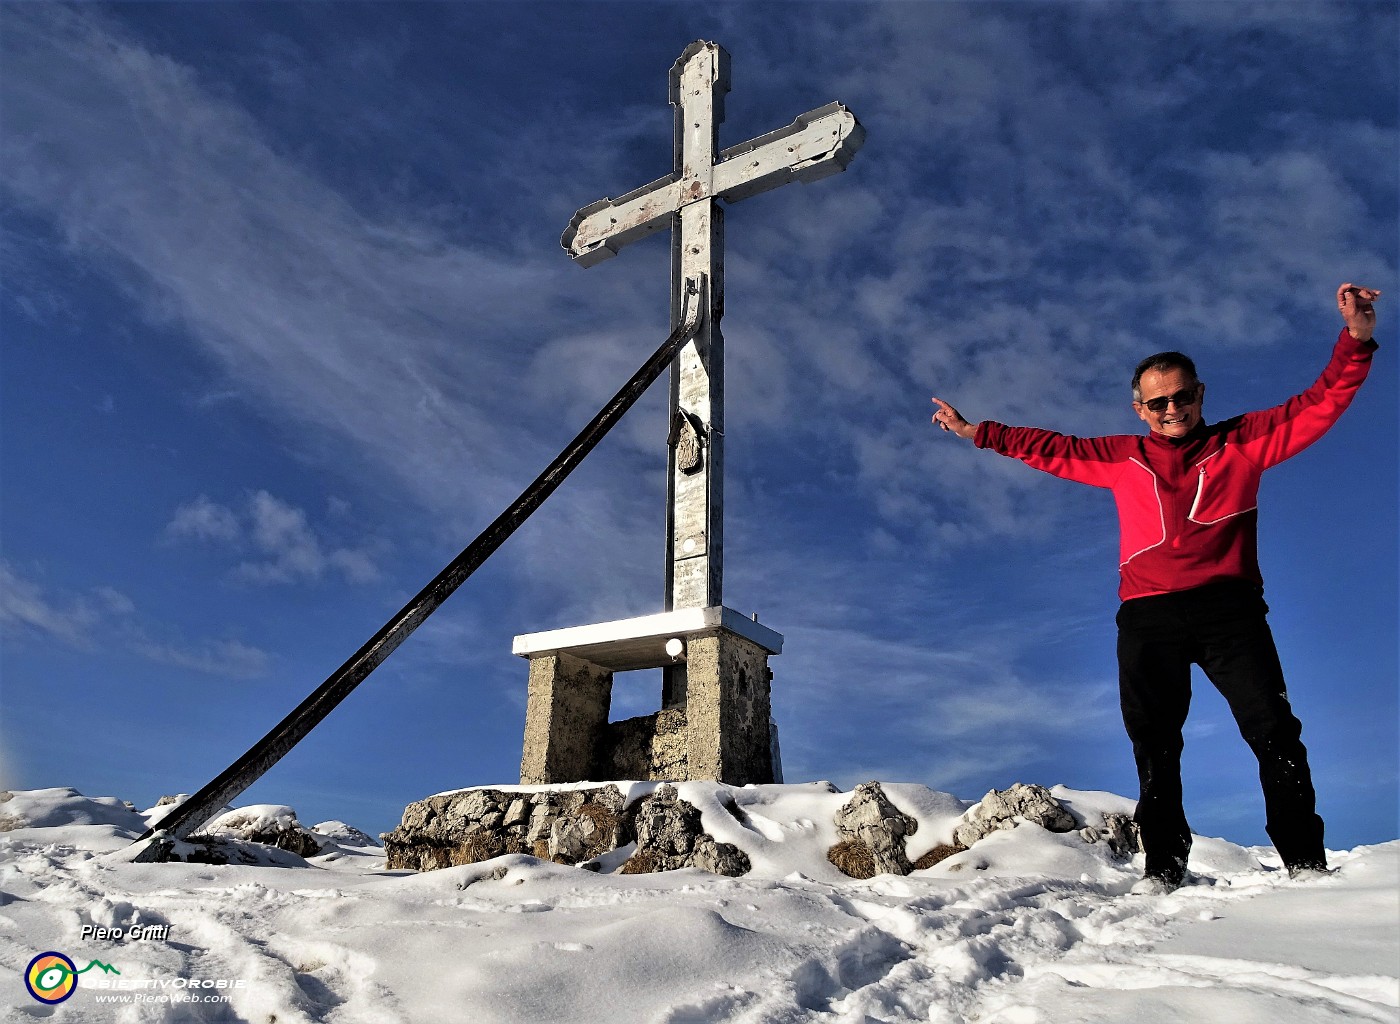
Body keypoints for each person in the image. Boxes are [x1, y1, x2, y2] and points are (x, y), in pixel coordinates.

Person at [930, 283, 1381, 892]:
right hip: (1148, 616)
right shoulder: (1122, 457)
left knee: (1274, 732)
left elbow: (1320, 402)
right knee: (1155, 745)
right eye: (1158, 401)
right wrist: (975, 431)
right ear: (1139, 408)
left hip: (1231, 611)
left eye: (1183, 396)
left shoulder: (1241, 442)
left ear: (1201, 395)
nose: (1173, 409)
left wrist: (1355, 339)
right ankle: (1164, 868)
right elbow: (1050, 448)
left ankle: (1304, 863)